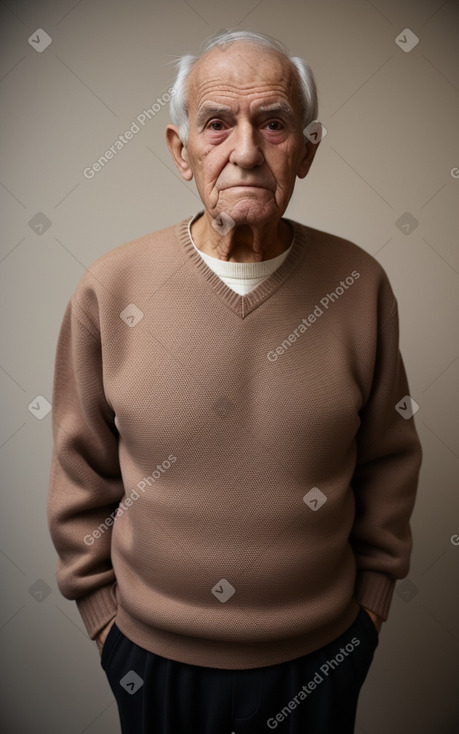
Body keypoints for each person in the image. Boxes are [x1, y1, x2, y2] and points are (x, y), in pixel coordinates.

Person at [47, 29, 422, 734]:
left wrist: (369, 610)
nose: (244, 151)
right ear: (178, 148)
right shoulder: (109, 287)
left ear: (305, 148)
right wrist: (105, 624)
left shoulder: (358, 283)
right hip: (153, 662)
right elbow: (80, 475)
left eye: (272, 123)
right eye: (216, 124)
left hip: (320, 659)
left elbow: (388, 460)